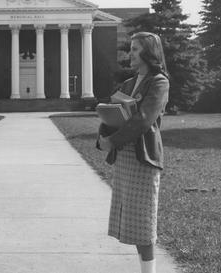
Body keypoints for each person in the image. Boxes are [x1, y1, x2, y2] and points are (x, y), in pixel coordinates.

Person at [97, 32, 169, 273]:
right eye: (131, 49)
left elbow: (143, 120)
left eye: (136, 49)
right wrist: (103, 135)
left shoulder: (159, 82)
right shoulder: (128, 84)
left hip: (144, 157)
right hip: (125, 158)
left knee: (144, 223)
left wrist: (113, 141)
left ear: (149, 53)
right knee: (133, 222)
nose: (131, 54)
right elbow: (112, 113)